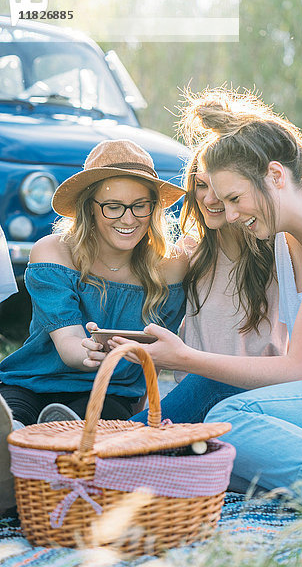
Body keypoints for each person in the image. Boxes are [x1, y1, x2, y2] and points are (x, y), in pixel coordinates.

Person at [110, 89, 302, 511]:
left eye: (234, 199)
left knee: (233, 422)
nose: (229, 216)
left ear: (276, 176)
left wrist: (183, 358)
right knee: (213, 451)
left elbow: (301, 369)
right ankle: (113, 452)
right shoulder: (286, 240)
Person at [0, 139, 186, 425]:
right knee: (10, 424)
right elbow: (69, 343)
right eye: (113, 206)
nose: (128, 218)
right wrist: (87, 350)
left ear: (154, 208)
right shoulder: (55, 252)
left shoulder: (170, 267)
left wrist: (141, 407)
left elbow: (156, 355)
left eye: (140, 206)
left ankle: (63, 433)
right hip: (32, 383)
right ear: (90, 208)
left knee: (99, 421)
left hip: (110, 392)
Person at [116, 154, 287, 424]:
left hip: (257, 394)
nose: (208, 199)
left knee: (207, 383)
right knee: (199, 385)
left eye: (218, 187)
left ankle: (113, 438)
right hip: (195, 396)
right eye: (201, 185)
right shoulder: (189, 256)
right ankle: (119, 433)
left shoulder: (280, 251)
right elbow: (162, 327)